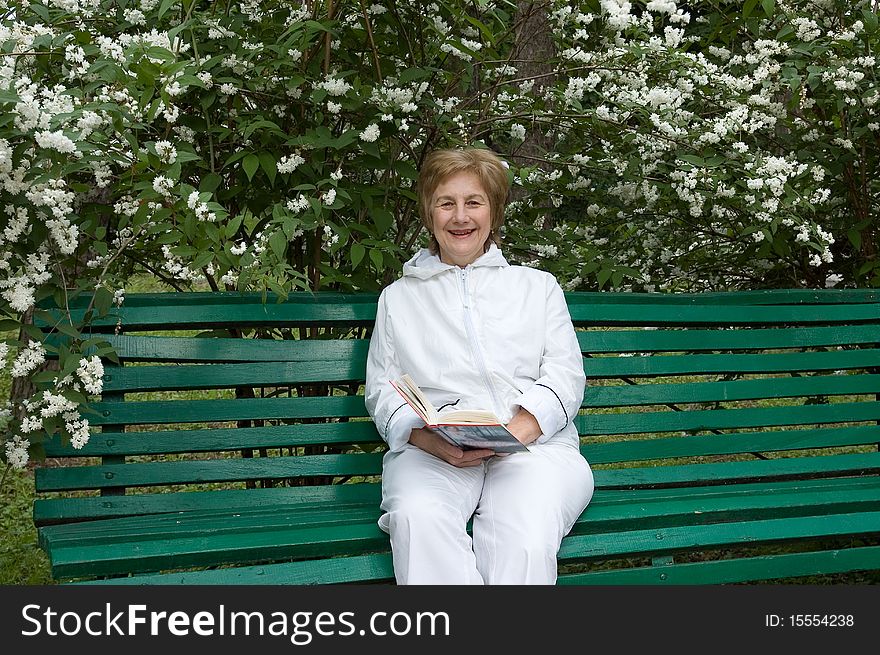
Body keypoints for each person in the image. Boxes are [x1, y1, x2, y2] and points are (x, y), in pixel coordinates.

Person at [364, 147, 594, 585]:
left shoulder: (537, 287)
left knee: (522, 537)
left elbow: (565, 375)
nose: (460, 217)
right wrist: (426, 440)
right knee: (417, 518)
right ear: (429, 214)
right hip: (434, 453)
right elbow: (382, 389)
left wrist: (518, 432)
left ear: (493, 212)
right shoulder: (398, 297)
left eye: (473, 202)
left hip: (535, 450)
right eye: (446, 203)